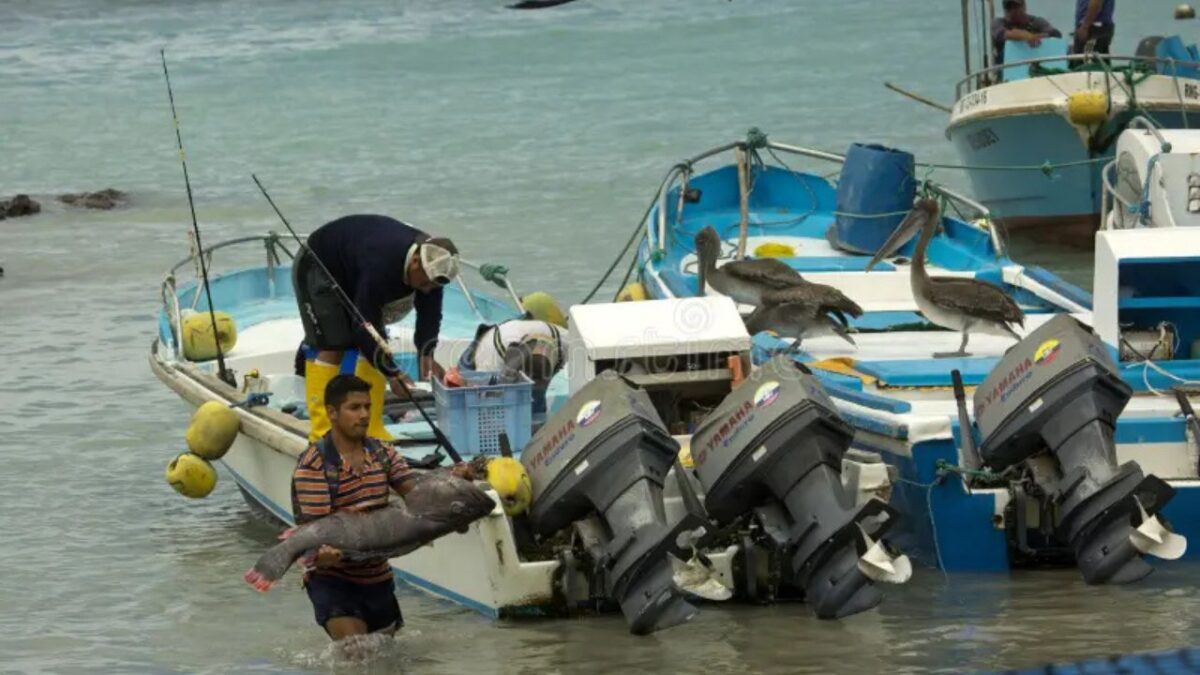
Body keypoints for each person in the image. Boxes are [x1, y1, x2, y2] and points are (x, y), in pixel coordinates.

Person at [291, 374, 471, 645]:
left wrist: (453, 483)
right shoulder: (313, 466)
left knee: (384, 658)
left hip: (377, 575)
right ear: (332, 413)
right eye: (354, 408)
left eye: (367, 407)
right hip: (333, 579)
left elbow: (417, 495)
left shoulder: (383, 454)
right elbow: (313, 534)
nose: (363, 415)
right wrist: (320, 556)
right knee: (357, 656)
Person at [293, 214, 460, 441]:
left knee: (375, 341)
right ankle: (323, 433)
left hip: (354, 267)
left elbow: (430, 314)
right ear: (414, 262)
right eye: (425, 282)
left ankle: (371, 427)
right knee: (335, 344)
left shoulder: (433, 268)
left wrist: (426, 353)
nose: (428, 289)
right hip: (319, 265)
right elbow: (364, 327)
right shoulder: (381, 264)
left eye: (435, 285)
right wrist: (393, 374)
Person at [459, 318, 567, 414]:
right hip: (483, 347)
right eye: (530, 375)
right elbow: (483, 404)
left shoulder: (566, 342)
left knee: (536, 404)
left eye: (538, 377)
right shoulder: (490, 358)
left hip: (520, 330)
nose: (533, 378)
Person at [991, 0, 1062, 69]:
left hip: (1039, 68)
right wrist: (1027, 36)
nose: (1013, 11)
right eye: (1009, 8)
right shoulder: (998, 23)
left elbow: (1055, 34)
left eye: (1016, 6)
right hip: (1007, 71)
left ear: (1024, 7)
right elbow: (1003, 34)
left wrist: (1037, 37)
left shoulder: (1036, 21)